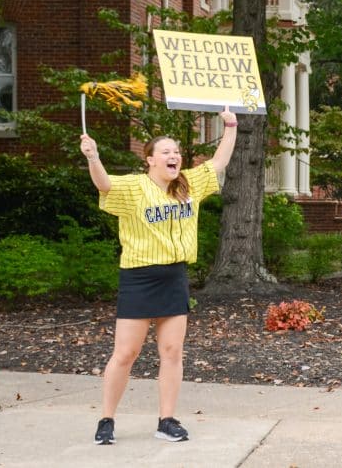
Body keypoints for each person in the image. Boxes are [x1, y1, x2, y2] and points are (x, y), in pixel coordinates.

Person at [79, 107, 238, 445]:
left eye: (177, 151)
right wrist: (93, 157)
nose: (174, 155)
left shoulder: (188, 184)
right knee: (126, 353)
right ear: (149, 159)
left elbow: (219, 163)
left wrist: (231, 126)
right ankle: (106, 420)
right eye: (165, 151)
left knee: (171, 351)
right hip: (139, 278)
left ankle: (167, 420)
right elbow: (104, 183)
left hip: (174, 276)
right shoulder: (135, 188)